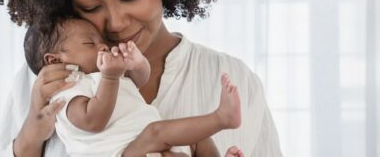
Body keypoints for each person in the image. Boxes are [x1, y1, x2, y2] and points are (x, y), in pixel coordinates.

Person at [0, 0, 282, 156]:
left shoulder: (233, 80)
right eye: (90, 7)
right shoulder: (43, 86)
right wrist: (29, 139)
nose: (116, 23)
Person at [23, 17, 243, 156]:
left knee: (198, 138)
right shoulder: (66, 93)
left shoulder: (103, 74)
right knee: (155, 130)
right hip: (122, 152)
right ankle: (222, 118)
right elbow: (93, 120)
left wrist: (137, 63)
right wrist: (111, 77)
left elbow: (139, 80)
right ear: (54, 60)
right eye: (89, 43)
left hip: (147, 144)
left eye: (101, 40)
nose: (102, 46)